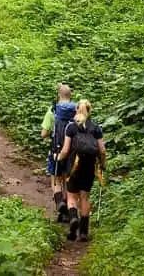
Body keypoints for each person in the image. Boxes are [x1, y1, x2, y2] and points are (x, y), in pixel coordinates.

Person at [57, 99, 106, 242]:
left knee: (72, 197)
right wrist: (102, 165)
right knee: (85, 197)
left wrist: (58, 159)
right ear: (90, 111)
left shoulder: (71, 127)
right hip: (89, 166)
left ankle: (73, 219)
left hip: (73, 166)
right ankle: (83, 232)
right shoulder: (96, 128)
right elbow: (102, 150)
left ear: (76, 110)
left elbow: (66, 150)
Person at [41, 84, 77, 223]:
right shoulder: (77, 111)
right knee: (67, 180)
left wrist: (52, 131)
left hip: (56, 151)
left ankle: (59, 203)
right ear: (70, 96)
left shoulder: (53, 111)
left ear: (58, 95)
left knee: (55, 180)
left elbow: (43, 134)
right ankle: (68, 213)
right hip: (72, 152)